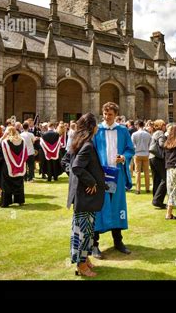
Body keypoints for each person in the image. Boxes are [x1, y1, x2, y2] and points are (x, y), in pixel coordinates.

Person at [64, 113, 106, 277]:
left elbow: (67, 163)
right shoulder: (87, 145)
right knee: (82, 232)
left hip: (84, 196)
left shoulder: (79, 142)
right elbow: (76, 167)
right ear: (93, 128)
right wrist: (91, 182)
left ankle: (85, 259)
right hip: (85, 196)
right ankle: (81, 266)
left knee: (87, 231)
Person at [91, 102, 134, 259]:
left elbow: (130, 149)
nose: (107, 117)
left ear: (116, 115)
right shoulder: (97, 131)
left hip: (117, 175)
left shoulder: (123, 131)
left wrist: (124, 157)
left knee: (117, 206)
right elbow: (92, 152)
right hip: (101, 175)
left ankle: (118, 241)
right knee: (99, 206)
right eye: (105, 113)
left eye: (110, 114)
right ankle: (94, 244)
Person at [0, 126, 27, 208]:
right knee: (19, 183)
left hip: (7, 166)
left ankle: (6, 202)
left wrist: (3, 137)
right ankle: (19, 200)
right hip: (20, 167)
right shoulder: (22, 141)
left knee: (6, 184)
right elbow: (26, 155)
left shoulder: (5, 142)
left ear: (7, 132)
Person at [149, 119, 167, 209]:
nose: (165, 126)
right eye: (164, 125)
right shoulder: (160, 133)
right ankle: (157, 200)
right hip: (158, 158)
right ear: (161, 126)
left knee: (156, 179)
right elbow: (162, 144)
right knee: (165, 179)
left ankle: (155, 199)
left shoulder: (155, 133)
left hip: (151, 157)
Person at [131, 120, 152, 194]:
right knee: (146, 172)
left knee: (137, 172)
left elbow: (132, 145)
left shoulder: (134, 134)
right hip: (146, 153)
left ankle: (138, 189)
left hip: (137, 154)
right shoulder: (148, 134)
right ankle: (147, 188)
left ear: (137, 125)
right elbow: (150, 144)